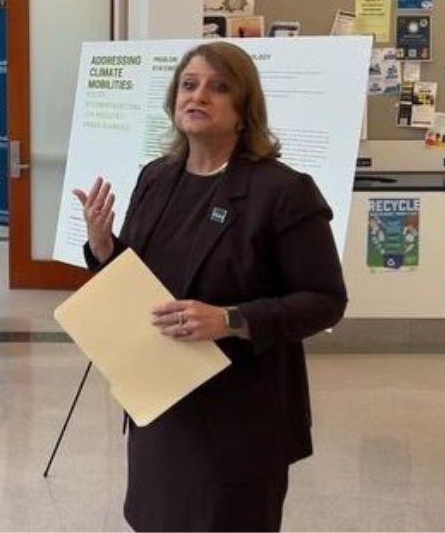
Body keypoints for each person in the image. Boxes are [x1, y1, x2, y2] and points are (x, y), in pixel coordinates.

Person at [73, 41, 347, 531]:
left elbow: (325, 301)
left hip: (239, 415)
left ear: (244, 110)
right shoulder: (156, 178)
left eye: (219, 87)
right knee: (155, 518)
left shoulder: (282, 192)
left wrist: (230, 320)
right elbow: (136, 281)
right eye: (189, 84)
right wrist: (103, 247)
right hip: (161, 401)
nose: (199, 95)